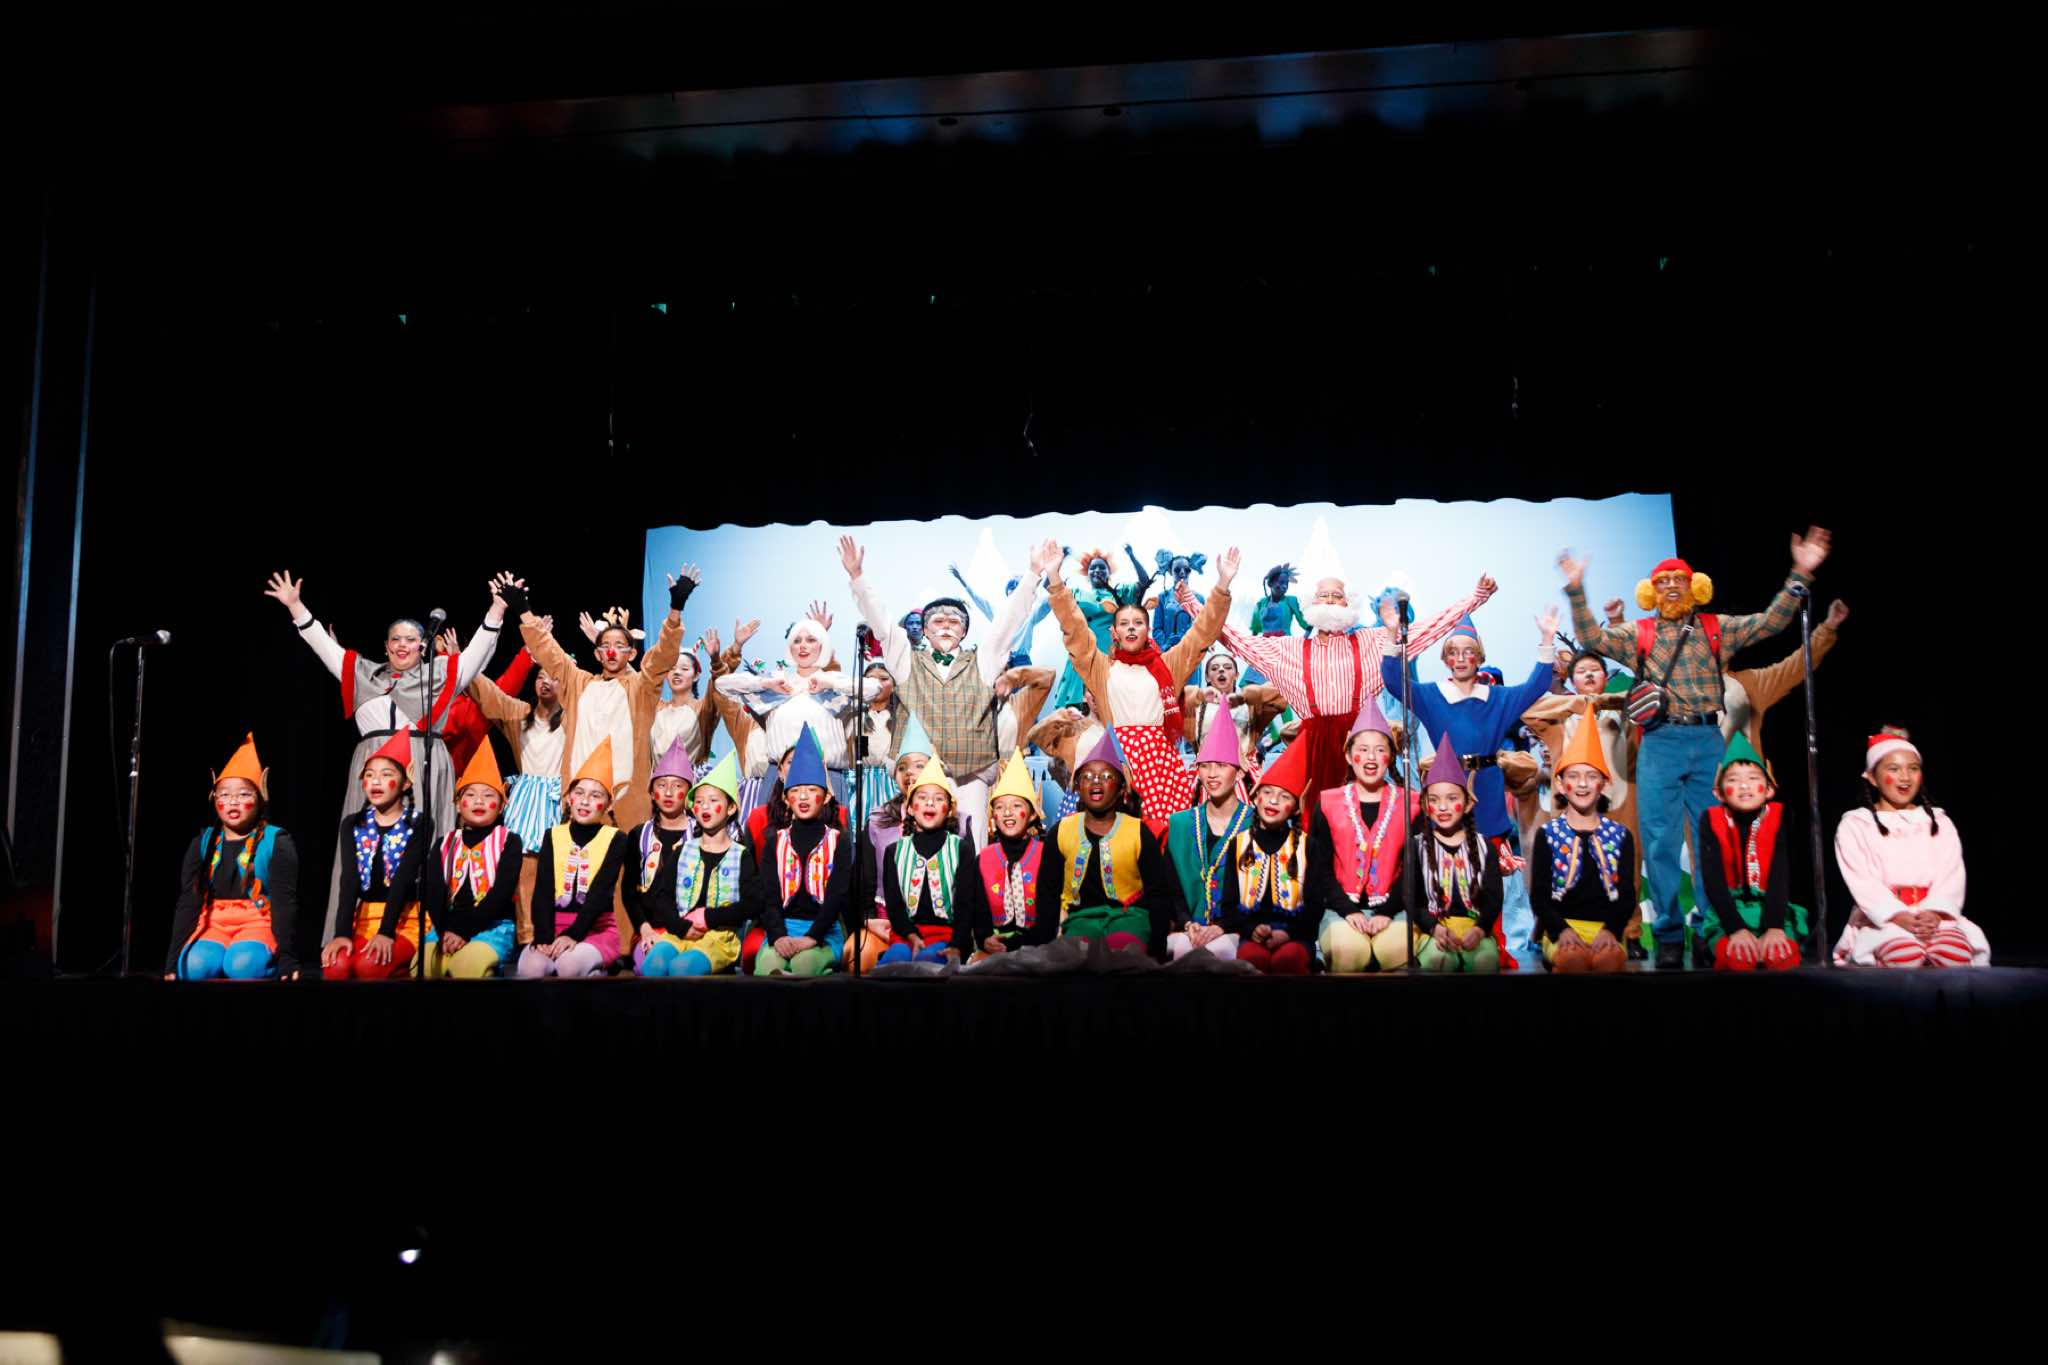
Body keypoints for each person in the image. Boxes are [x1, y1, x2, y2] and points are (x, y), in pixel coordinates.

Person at [1562, 530, 1831, 968]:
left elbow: (1770, 622)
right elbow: (1593, 638)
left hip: (1707, 739)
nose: (1671, 586)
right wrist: (1576, 588)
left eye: (1679, 580)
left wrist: (1800, 571)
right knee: (1660, 842)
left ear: (1694, 587)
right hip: (1661, 742)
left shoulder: (1716, 627)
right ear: (1651, 592)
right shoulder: (1639, 633)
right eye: (1663, 581)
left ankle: (1711, 928)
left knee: (1712, 840)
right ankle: (1669, 933)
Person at [263, 570, 508, 942]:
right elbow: (323, 645)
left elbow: (478, 652)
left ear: (423, 646)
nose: (402, 645)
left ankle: (428, 936)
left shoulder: (441, 674)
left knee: (425, 846)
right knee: (362, 847)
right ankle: (347, 933)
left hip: (423, 761)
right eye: (396, 639)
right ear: (386, 645)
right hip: (373, 761)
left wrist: (497, 610)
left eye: (411, 639)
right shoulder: (361, 673)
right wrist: (296, 606)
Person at [1182, 566, 1496, 812]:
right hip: (1313, 749)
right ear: (1311, 604)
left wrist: (1475, 598)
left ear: (1349, 604)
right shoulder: (1288, 650)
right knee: (1314, 826)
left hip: (1359, 748)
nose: (1331, 601)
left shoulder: (1371, 641)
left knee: (1366, 825)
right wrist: (1191, 603)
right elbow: (1233, 637)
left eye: (1337, 596)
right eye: (1324, 596)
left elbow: (1428, 630)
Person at [844, 534, 1058, 847]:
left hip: (971, 774)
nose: (945, 625)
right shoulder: (906, 662)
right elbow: (884, 624)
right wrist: (858, 577)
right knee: (920, 851)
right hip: (922, 776)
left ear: (965, 630)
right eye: (937, 621)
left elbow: (1007, 623)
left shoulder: (982, 660)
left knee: (972, 847)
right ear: (925, 630)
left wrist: (1033, 574)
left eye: (954, 621)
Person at [1382, 609, 1560, 957]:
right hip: (1445, 792)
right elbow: (1393, 683)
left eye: (1469, 651)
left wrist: (1547, 638)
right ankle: (1438, 938)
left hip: (1488, 791)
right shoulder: (1432, 696)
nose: (1461, 658)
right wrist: (1391, 635)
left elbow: (1537, 685)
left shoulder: (1498, 699)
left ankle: (1493, 942)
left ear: (1479, 657)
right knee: (1438, 868)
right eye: (1453, 652)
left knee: (1489, 873)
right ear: (1445, 658)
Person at [497, 567, 696, 837]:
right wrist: (523, 609)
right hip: (581, 804)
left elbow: (662, 657)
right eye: (605, 646)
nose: (612, 651)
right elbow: (548, 650)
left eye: (620, 646)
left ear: (631, 653)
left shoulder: (641, 687)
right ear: (597, 654)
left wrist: (675, 610)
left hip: (627, 807)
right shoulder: (578, 683)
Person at [1046, 544, 1239, 819]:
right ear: (1114, 631)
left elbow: (1201, 634)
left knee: (1159, 836)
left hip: (1159, 765)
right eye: (1124, 623)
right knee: (1116, 836)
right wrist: (1055, 580)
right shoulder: (1102, 668)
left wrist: (1222, 584)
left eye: (1138, 622)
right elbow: (1075, 630)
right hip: (1116, 763)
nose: (1131, 628)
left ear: (1148, 629)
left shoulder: (1168, 665)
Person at [1833, 728, 1986, 968]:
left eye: (1913, 768)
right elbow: (1862, 882)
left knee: (1952, 955)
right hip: (1884, 922)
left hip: (1934, 919)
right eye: (1893, 769)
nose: (1905, 777)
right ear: (1872, 777)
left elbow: (1951, 873)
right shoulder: (1856, 824)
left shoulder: (1938, 822)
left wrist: (1935, 913)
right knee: (1905, 956)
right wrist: (1897, 915)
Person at [1031, 731, 1184, 955]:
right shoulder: (1061, 832)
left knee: (1123, 953)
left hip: (1130, 918)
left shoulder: (1138, 832)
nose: (1096, 781)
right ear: (1077, 786)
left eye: (1105, 776)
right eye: (1088, 776)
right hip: (1081, 920)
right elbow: (1048, 894)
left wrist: (1156, 947)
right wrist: (1042, 947)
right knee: (1075, 955)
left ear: (1121, 789)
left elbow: (1158, 895)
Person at [166, 733, 301, 981]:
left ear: (259, 799)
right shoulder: (204, 842)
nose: (233, 802)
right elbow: (188, 901)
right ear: (214, 799)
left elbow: (285, 902)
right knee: (194, 967)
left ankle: (261, 961)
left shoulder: (276, 841)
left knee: (241, 965)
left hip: (257, 920)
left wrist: (287, 959)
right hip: (213, 921)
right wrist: (172, 963)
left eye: (243, 794)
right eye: (225, 795)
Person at [1308, 700, 1420, 974]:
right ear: (1349, 756)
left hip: (1395, 909)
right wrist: (1349, 911)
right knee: (1349, 952)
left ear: (1390, 757)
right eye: (1363, 750)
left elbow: (1414, 869)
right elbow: (1320, 870)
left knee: (1395, 951)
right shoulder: (1328, 802)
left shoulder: (1412, 804)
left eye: (1380, 750)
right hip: (1340, 910)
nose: (1371, 758)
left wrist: (1387, 912)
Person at [714, 613, 872, 806]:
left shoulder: (834, 684)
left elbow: (874, 689)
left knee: (830, 826)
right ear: (790, 648)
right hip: (779, 778)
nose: (803, 646)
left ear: (822, 646)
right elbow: (722, 685)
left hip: (827, 776)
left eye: (811, 640)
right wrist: (765, 683)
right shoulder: (779, 684)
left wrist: (828, 682)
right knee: (772, 826)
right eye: (797, 641)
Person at [1530, 707, 1636, 973]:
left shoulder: (1621, 836)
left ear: (1604, 784)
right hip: (1562, 930)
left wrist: (1611, 930)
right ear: (1561, 783)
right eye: (1574, 776)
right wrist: (1561, 930)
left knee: (1609, 963)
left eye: (1591, 776)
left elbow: (1626, 895)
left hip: (1606, 931)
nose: (1582, 785)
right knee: (1573, 961)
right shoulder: (1549, 834)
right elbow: (1539, 896)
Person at [633, 750, 756, 977]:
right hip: (679, 933)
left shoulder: (741, 855)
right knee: (652, 966)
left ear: (730, 808)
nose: (705, 807)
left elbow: (751, 904)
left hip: (719, 938)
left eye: (713, 801)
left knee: (682, 968)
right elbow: (663, 897)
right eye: (699, 802)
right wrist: (680, 927)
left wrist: (709, 917)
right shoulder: (683, 851)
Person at [324, 731, 434, 980]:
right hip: (364, 919)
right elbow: (349, 880)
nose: (376, 781)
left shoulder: (418, 823)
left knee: (369, 967)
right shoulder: (352, 824)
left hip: (404, 920)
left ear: (405, 783)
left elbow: (403, 879)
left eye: (386, 775)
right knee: (336, 966)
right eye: (369, 775)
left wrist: (386, 932)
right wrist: (341, 933)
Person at [517, 739, 631, 979]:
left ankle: (600, 970)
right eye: (579, 793)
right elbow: (543, 890)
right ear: (569, 798)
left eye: (595, 795)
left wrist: (574, 934)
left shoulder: (616, 839)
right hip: (553, 926)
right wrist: (544, 936)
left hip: (594, 929)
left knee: (568, 966)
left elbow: (600, 894)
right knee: (531, 969)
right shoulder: (553, 835)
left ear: (608, 804)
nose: (585, 801)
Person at [1694, 732, 1806, 971]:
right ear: (1719, 792)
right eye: (1733, 780)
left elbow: (1781, 874)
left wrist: (1774, 927)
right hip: (1729, 916)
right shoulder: (1711, 820)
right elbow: (1713, 880)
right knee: (1738, 960)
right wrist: (1735, 929)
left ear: (1769, 789)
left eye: (1753, 778)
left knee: (1780, 958)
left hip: (1772, 912)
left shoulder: (1779, 816)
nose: (1744, 786)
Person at [751, 726, 857, 976]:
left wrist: (812, 937)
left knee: (804, 965)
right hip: (783, 930)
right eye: (796, 791)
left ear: (826, 796)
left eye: (811, 790)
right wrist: (778, 936)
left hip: (823, 931)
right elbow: (768, 896)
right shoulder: (775, 842)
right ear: (786, 799)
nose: (803, 797)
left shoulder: (838, 841)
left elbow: (837, 897)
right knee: (768, 966)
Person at [419, 741, 523, 979]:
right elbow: (433, 892)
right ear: (458, 804)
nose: (479, 801)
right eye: (471, 795)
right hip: (446, 927)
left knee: (467, 967)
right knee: (425, 966)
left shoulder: (509, 841)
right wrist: (446, 930)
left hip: (493, 927)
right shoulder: (444, 843)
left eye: (488, 795)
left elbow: (500, 894)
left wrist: (464, 930)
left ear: (501, 806)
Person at [876, 755, 993, 965]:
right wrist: (911, 935)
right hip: (905, 935)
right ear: (910, 808)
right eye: (922, 797)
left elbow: (966, 904)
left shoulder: (961, 849)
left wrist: (956, 945)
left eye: (939, 799)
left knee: (929, 961)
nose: (930, 802)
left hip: (947, 936)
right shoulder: (894, 852)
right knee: (893, 962)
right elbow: (894, 905)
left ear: (949, 810)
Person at [1162, 703, 1256, 961]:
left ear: (1239, 773)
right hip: (1188, 929)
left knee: (1220, 952)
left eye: (1222, 765)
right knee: (1180, 951)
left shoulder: (1255, 824)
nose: (1212, 774)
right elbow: (1171, 887)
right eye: (1205, 766)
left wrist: (1224, 926)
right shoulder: (1180, 824)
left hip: (1239, 929)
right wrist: (1186, 923)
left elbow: (1260, 892)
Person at [1215, 741, 1316, 975]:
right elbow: (1229, 905)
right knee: (1252, 960)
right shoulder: (1239, 844)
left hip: (1297, 935)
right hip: (1251, 934)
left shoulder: (1308, 846)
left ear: (1295, 808)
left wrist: (1288, 934)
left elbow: (1315, 906)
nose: (1273, 801)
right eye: (1267, 793)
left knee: (1287, 961)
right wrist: (1251, 929)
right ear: (1256, 796)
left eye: (1284, 796)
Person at [1410, 733, 1505, 974]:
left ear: (1468, 803)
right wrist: (1434, 928)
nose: (1443, 807)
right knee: (1439, 962)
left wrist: (1480, 929)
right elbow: (1411, 898)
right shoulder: (1416, 846)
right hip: (1434, 930)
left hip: (1474, 929)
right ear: (1425, 806)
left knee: (1485, 963)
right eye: (1434, 800)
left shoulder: (1484, 846)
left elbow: (1493, 897)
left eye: (1452, 798)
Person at [972, 751, 1051, 958]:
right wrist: (985, 938)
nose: (1007, 812)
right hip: (994, 946)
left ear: (1032, 814)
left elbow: (1049, 914)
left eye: (1016, 806)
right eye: (1000, 807)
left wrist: (1019, 943)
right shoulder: (983, 860)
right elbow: (978, 910)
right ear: (994, 815)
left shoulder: (1046, 856)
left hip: (1037, 945)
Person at [1180, 649, 1286, 774]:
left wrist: (1242, 697)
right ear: (1207, 677)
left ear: (1236, 675)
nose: (1221, 670)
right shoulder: (1196, 708)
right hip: (1207, 773)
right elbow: (1172, 698)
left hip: (1242, 773)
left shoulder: (1250, 706)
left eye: (1228, 667)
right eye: (1214, 668)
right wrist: (1200, 695)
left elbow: (1281, 692)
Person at [949, 562, 1054, 670]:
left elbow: (1045, 605)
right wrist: (961, 580)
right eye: (1011, 595)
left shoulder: (1029, 615)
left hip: (1022, 661)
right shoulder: (999, 615)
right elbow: (979, 600)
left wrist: (1056, 587)